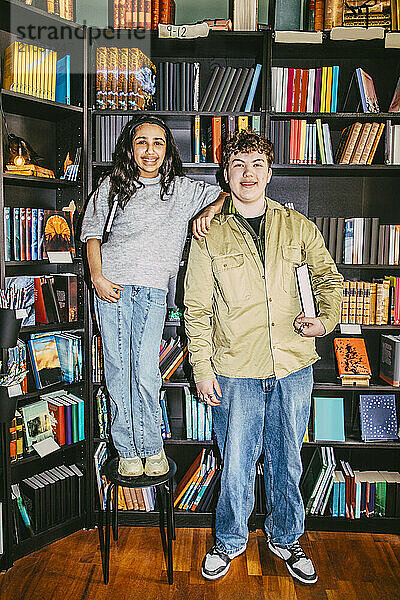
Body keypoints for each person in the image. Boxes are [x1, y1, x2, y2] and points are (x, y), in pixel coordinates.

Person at [184, 129, 343, 584]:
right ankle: (229, 540)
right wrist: (201, 367)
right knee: (235, 458)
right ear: (226, 175)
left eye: (256, 164)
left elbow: (328, 280)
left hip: (293, 365)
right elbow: (197, 307)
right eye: (238, 165)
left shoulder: (299, 227)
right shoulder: (208, 233)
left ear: (270, 172)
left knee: (287, 458)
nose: (248, 173)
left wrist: (325, 321)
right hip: (235, 367)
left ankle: (285, 537)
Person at [80, 114, 226, 478]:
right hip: (111, 288)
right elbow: (92, 235)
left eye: (158, 143)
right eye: (142, 142)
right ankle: (127, 449)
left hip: (153, 291)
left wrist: (208, 209)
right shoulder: (111, 186)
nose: (150, 150)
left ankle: (151, 446)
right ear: (131, 147)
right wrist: (97, 277)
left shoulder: (181, 188)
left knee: (145, 372)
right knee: (117, 370)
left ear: (167, 149)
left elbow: (227, 194)